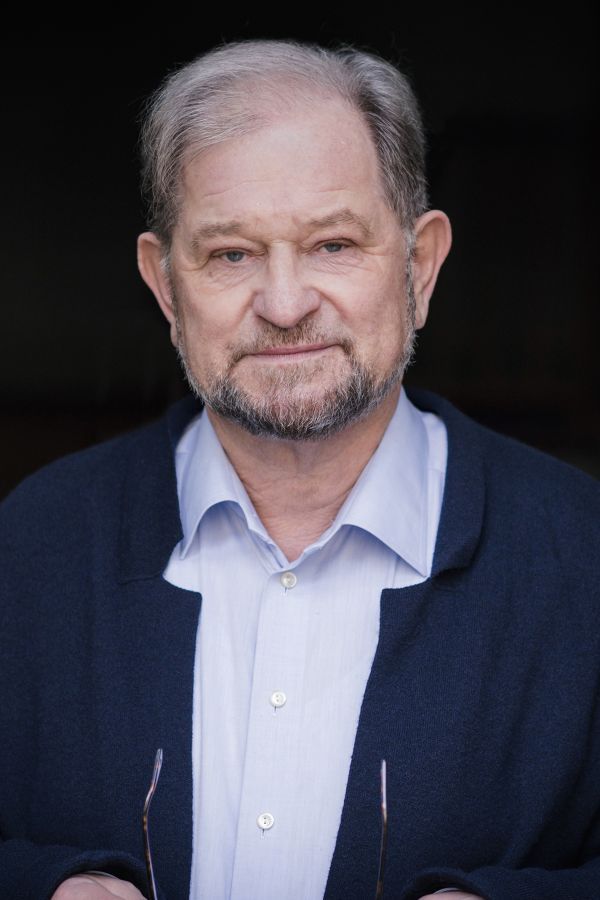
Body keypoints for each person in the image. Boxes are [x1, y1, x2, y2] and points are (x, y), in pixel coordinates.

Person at [0, 39, 598, 900]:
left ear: (421, 266)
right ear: (165, 286)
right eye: (231, 254)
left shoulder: (581, 557)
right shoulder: (33, 543)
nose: (284, 306)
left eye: (332, 244)